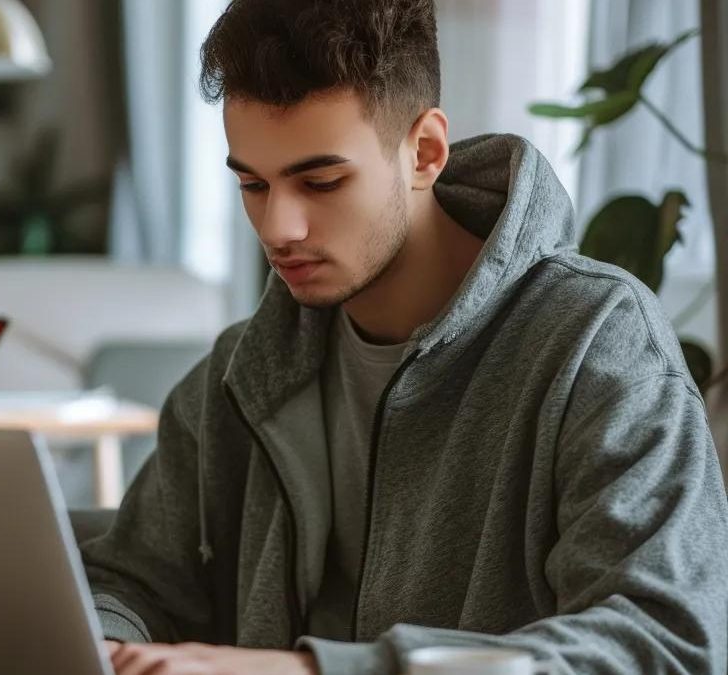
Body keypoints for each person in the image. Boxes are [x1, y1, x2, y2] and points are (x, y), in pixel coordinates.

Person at [82, 1, 728, 673]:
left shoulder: (597, 345)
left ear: (424, 152)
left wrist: (313, 671)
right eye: (253, 183)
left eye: (321, 182)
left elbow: (663, 644)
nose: (278, 228)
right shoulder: (242, 376)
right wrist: (100, 646)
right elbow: (129, 579)